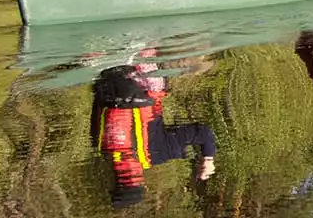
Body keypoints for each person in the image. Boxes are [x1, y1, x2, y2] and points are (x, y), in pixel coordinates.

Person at [89, 64, 217, 208]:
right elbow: (97, 103)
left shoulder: (157, 153)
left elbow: (203, 132)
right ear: (113, 181)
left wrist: (208, 159)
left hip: (144, 81)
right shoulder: (101, 147)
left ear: (142, 183)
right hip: (106, 79)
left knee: (198, 65)